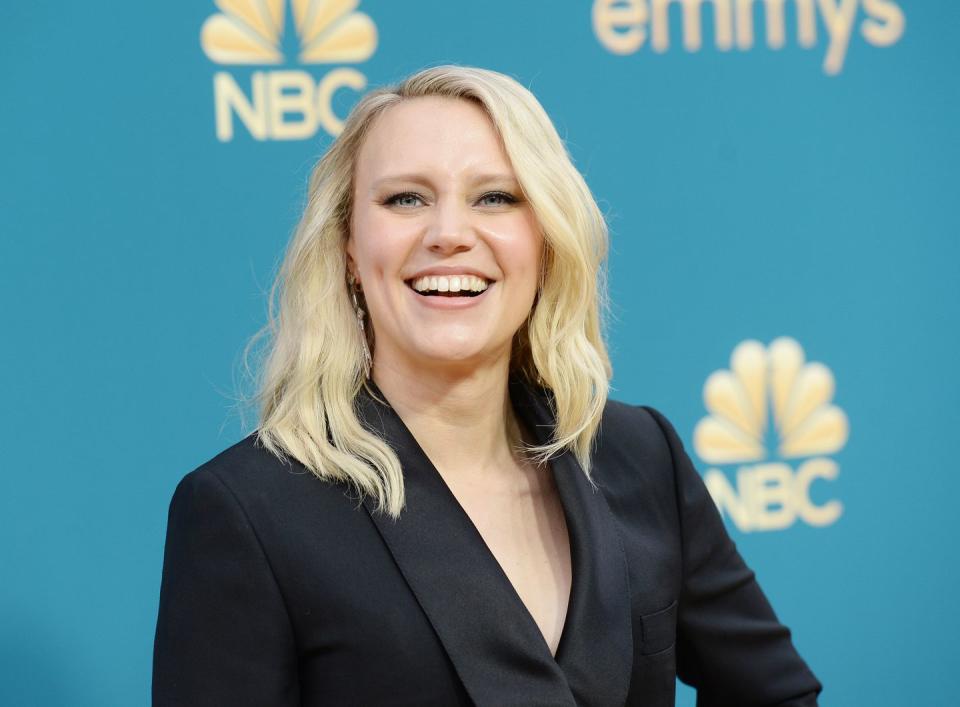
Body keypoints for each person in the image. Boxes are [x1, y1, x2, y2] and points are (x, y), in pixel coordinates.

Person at [152, 65, 822, 706]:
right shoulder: (248, 511)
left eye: (496, 197)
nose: (449, 234)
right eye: (405, 198)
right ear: (349, 247)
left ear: (546, 240)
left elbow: (776, 692)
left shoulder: (640, 453)